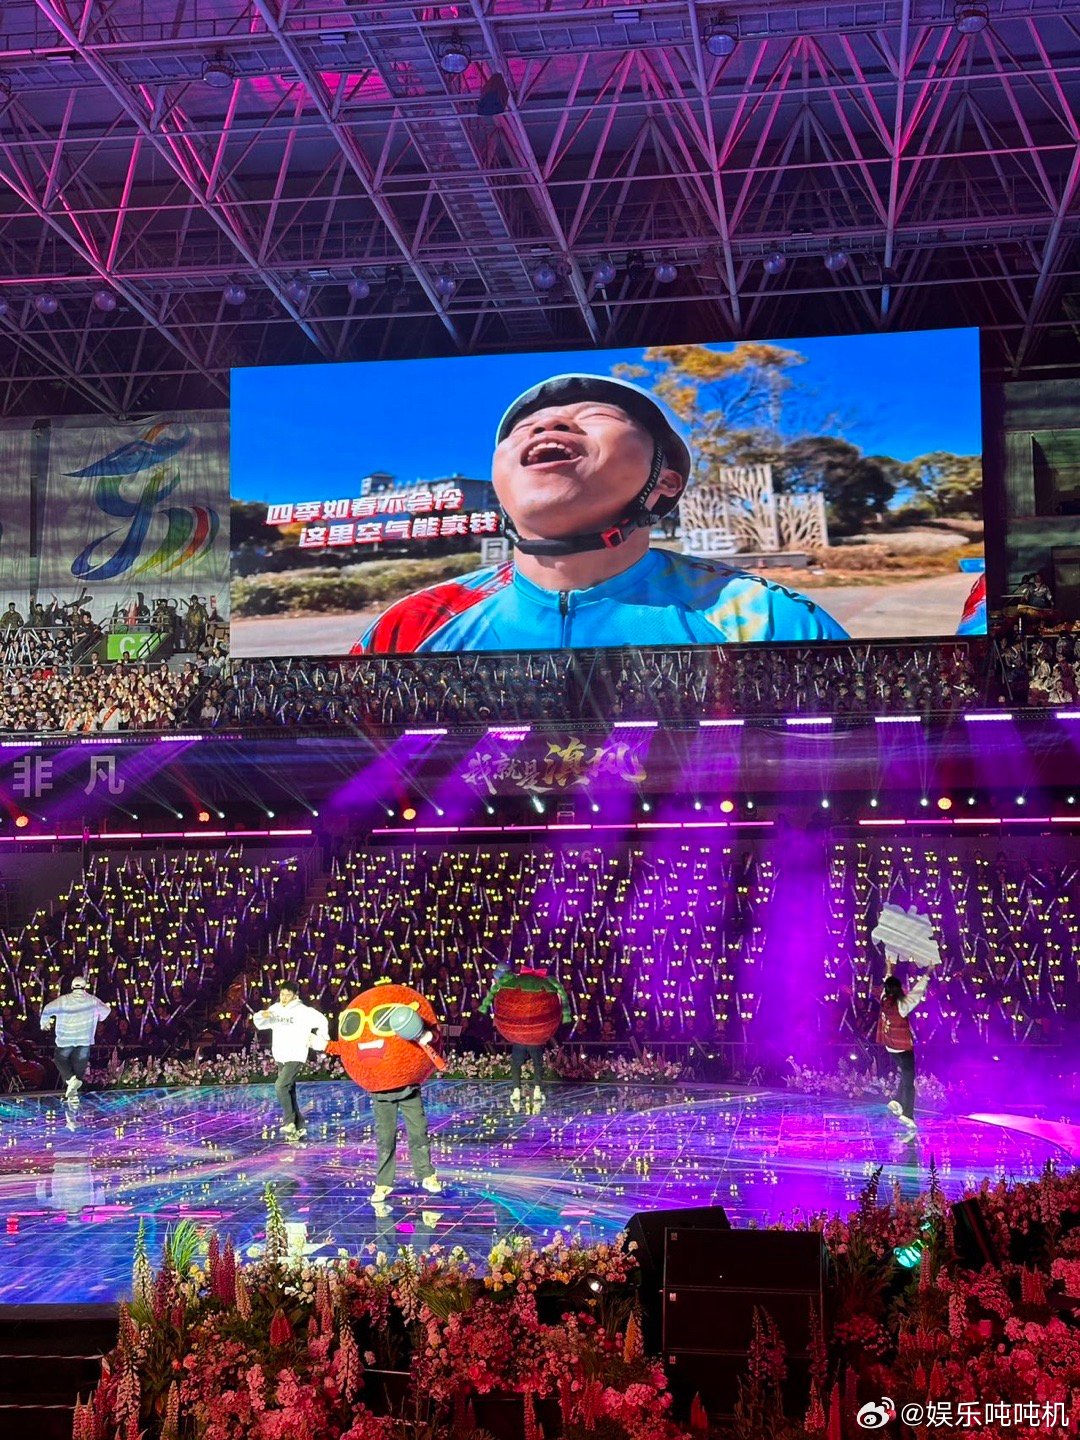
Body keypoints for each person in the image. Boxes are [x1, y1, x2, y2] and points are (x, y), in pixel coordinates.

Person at [354, 373, 847, 652]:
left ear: (665, 482)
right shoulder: (415, 624)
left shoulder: (763, 618)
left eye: (597, 417)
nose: (548, 424)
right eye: (525, 428)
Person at [252, 982, 329, 1140]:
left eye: (288, 995)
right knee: (289, 1090)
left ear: (295, 995)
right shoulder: (276, 1009)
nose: (284, 998)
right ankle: (299, 1125)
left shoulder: (304, 1011)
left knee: (280, 1086)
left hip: (296, 1053)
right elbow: (260, 1021)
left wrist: (320, 1039)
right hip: (281, 1053)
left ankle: (289, 1123)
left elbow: (322, 1021)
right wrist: (262, 1015)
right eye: (282, 994)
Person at [876, 956, 930, 1131]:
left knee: (905, 1074)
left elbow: (887, 981)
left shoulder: (884, 998)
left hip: (890, 1046)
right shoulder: (902, 1005)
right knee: (909, 1081)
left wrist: (888, 967)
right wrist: (927, 973)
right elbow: (917, 993)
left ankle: (897, 1101)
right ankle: (908, 1114)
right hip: (902, 1048)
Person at [370, 1080, 443, 1205]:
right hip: (382, 1090)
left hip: (409, 1088)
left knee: (419, 1131)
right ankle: (383, 1183)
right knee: (385, 1138)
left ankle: (426, 1174)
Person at [40, 976, 112, 1100]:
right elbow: (106, 1011)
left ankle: (71, 1085)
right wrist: (99, 1015)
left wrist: (44, 1023)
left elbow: (47, 1009)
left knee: (61, 1060)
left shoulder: (63, 1000)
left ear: (72, 986)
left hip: (65, 1040)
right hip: (84, 1040)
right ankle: (73, 1092)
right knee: (78, 1069)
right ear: (85, 987)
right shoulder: (92, 1000)